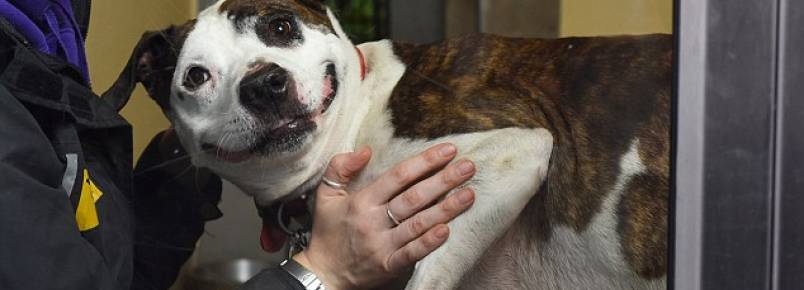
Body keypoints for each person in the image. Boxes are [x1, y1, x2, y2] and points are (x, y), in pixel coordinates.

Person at [0, 1, 476, 289]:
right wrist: (322, 270)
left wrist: (186, 171)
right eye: (199, 76)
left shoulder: (39, 36)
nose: (261, 81)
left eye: (282, 32)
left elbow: (117, 273)